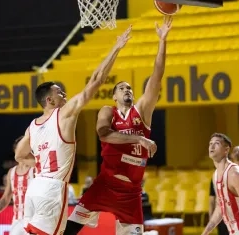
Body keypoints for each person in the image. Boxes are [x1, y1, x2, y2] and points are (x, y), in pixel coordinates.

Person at [14, 25, 133, 235]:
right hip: (52, 189)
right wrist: (116, 47)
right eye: (60, 92)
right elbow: (96, 81)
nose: (65, 95)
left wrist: (41, 163)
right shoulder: (64, 114)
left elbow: (19, 154)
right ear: (49, 100)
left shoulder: (32, 125)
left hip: (35, 188)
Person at [65, 16, 172, 235]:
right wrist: (139, 138)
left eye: (130, 88)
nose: (127, 90)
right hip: (104, 185)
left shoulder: (142, 111)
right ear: (114, 96)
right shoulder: (108, 111)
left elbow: (157, 75)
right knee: (69, 230)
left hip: (131, 193)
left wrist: (162, 41)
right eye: (122, 88)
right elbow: (104, 135)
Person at [202, 133, 239, 235]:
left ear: (226, 150)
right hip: (234, 230)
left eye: (217, 143)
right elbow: (220, 207)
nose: (212, 146)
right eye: (210, 143)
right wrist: (206, 232)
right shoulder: (215, 175)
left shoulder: (235, 174)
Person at [0, 136, 35, 235]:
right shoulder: (12, 172)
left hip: (34, 218)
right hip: (17, 219)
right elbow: (5, 198)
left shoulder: (36, 169)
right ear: (15, 151)